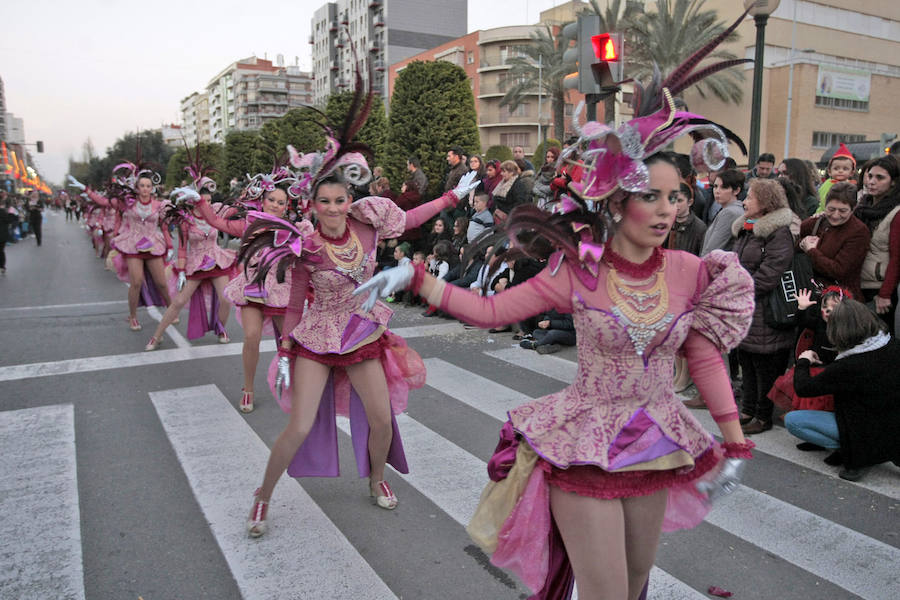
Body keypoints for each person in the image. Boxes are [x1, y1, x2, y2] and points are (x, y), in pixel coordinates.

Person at [358, 49, 756, 598]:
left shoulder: (690, 270)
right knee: (606, 591)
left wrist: (733, 445)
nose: (667, 210)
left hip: (656, 441)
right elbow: (492, 311)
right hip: (584, 445)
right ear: (615, 203)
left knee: (637, 580)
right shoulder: (580, 270)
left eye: (675, 196)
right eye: (649, 196)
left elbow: (705, 356)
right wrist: (416, 278)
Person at [238, 96, 482, 537]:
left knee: (383, 419)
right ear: (311, 205)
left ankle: (375, 478)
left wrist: (451, 196)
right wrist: (287, 352)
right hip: (316, 336)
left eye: (339, 199)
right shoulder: (306, 245)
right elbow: (295, 302)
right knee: (299, 425)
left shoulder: (368, 223)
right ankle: (263, 496)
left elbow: (409, 219)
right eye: (324, 202)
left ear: (350, 198)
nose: (332, 208)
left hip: (361, 331)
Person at [182, 165, 296, 413]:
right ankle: (248, 388)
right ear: (262, 200)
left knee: (288, 341)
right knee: (252, 337)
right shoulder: (248, 223)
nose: (276, 205)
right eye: (272, 200)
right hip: (252, 287)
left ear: (287, 205)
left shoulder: (292, 228)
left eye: (281, 202)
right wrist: (199, 201)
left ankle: (294, 385)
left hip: (279, 288)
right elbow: (214, 220)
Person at [790, 298, 900, 481]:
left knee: (794, 421)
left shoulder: (849, 365)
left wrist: (804, 360)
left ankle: (855, 451)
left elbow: (803, 388)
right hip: (893, 423)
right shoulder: (892, 344)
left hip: (863, 430)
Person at [73, 163, 173, 331]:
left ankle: (172, 311)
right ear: (136, 187)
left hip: (153, 244)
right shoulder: (127, 203)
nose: (145, 189)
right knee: (136, 282)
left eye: (148, 186)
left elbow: (165, 226)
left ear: (153, 188)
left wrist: (170, 246)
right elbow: (104, 202)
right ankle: (133, 317)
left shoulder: (160, 205)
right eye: (142, 185)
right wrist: (86, 190)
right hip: (132, 245)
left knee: (161, 283)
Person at [731, 179, 796, 435]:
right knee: (746, 359)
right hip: (747, 306)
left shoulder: (777, 232)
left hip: (765, 308)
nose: (745, 201)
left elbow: (770, 273)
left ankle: (763, 415)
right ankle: (747, 409)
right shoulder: (748, 228)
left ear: (766, 202)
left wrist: (741, 291)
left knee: (765, 364)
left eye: (750, 197)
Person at [797, 182, 869, 301]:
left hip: (840, 299)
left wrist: (811, 251)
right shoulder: (816, 223)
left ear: (853, 208)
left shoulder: (858, 232)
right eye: (831, 209)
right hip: (810, 293)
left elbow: (838, 270)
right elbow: (793, 246)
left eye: (842, 211)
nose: (835, 215)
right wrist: (802, 244)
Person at [856, 155, 900, 328]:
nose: (871, 182)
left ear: (893, 182)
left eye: (880, 178)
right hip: (857, 283)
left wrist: (885, 294)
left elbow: (897, 258)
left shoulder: (896, 212)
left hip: (879, 288)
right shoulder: (862, 206)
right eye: (870, 176)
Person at [700, 169, 744, 255]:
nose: (717, 191)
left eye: (724, 187)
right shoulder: (732, 209)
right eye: (715, 186)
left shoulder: (730, 212)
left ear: (736, 191)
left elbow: (712, 249)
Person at [665, 182, 707, 256]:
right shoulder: (666, 222)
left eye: (680, 201)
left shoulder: (699, 228)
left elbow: (701, 255)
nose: (675, 204)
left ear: (690, 202)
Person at [816, 143, 856, 214]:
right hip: (825, 213)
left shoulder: (853, 186)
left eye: (845, 169)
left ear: (852, 173)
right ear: (829, 171)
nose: (840, 171)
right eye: (836, 168)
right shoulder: (828, 184)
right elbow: (823, 201)